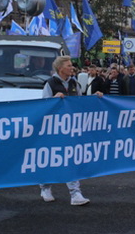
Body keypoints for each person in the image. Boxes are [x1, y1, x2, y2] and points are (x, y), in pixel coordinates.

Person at [39, 56, 101, 206]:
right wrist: (54, 98)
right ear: (61, 68)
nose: (72, 68)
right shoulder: (50, 83)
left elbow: (80, 102)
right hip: (54, 129)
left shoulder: (75, 83)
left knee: (71, 158)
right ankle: (45, 187)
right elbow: (43, 105)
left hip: (71, 128)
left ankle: (75, 193)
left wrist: (95, 98)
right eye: (69, 66)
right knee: (51, 158)